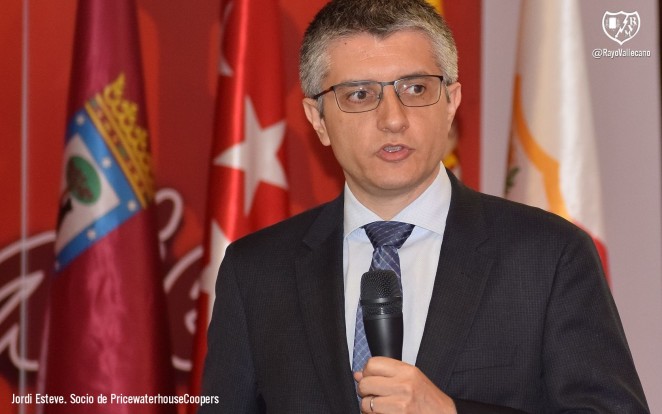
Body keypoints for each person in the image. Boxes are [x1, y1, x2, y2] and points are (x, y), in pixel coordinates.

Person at [199, 0, 649, 412]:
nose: (393, 119)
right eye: (360, 94)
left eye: (415, 88)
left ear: (451, 102)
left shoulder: (550, 255)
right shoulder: (256, 272)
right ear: (318, 119)